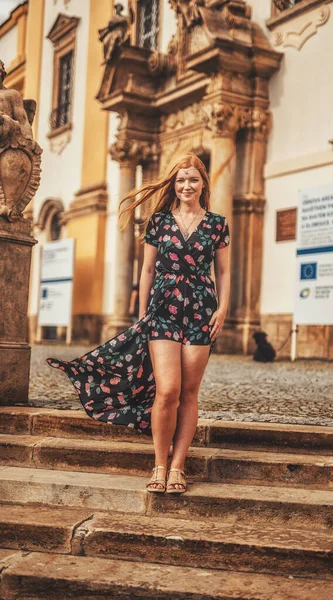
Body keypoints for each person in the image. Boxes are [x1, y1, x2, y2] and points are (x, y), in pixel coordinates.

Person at [46, 153, 231, 495]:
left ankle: (178, 466)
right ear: (173, 185)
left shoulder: (217, 223)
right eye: (180, 180)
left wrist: (222, 308)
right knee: (168, 389)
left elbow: (222, 270)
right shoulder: (159, 222)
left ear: (203, 183)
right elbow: (146, 270)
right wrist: (145, 312)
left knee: (189, 392)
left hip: (201, 310)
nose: (186, 185)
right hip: (163, 308)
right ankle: (159, 463)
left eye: (192, 179)